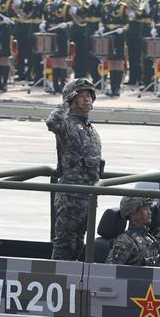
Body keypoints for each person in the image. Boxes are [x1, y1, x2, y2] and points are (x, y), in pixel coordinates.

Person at [47, 78, 103, 260]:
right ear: (71, 99)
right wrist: (65, 103)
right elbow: (51, 122)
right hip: (70, 198)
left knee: (79, 244)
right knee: (64, 245)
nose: (87, 99)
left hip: (88, 197)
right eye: (81, 95)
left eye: (89, 95)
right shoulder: (66, 124)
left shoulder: (90, 129)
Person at [106, 196, 160, 266]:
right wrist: (143, 263)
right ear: (132, 212)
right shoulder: (125, 240)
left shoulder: (149, 237)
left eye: (149, 208)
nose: (150, 212)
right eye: (145, 208)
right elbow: (111, 269)